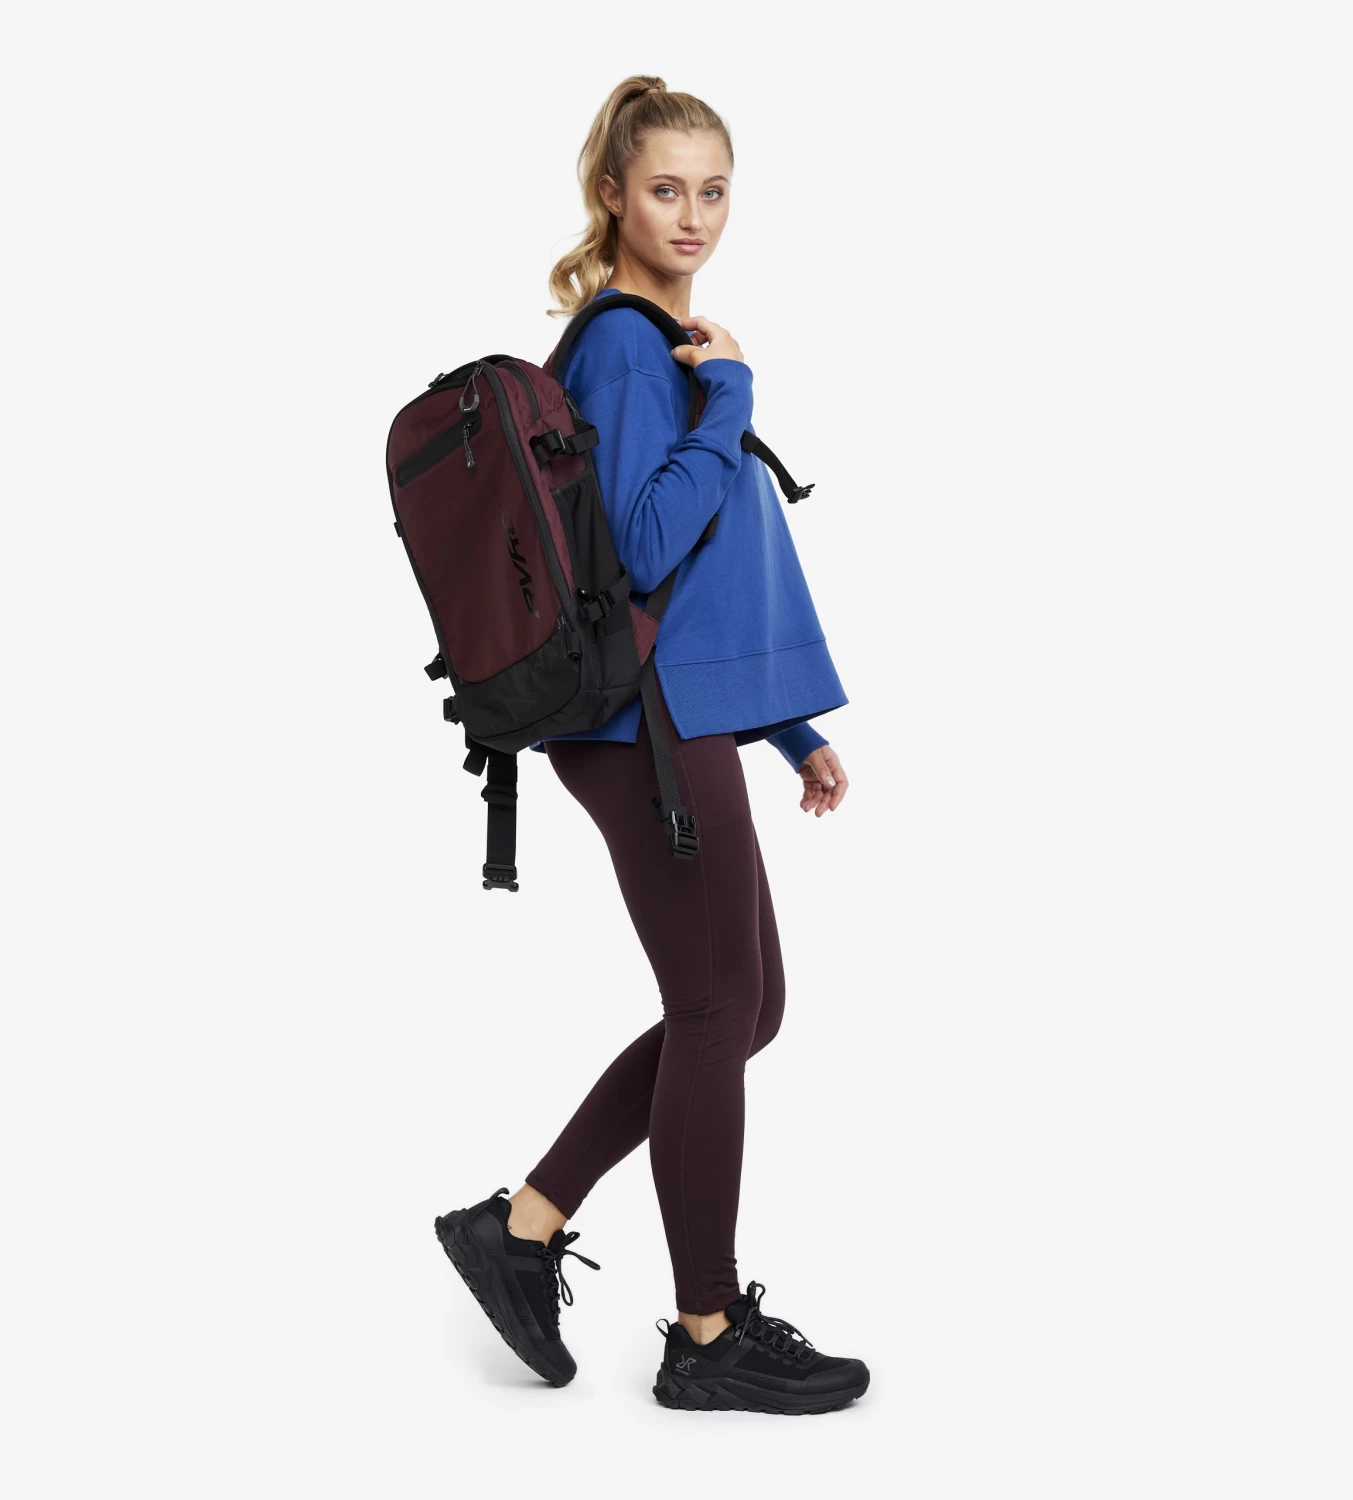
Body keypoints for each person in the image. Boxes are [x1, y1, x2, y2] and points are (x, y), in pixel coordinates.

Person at [433, 76, 869, 1416]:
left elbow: (690, 582)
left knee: (742, 1007)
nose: (692, 216)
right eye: (666, 189)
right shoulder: (632, 351)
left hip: (666, 717)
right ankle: (705, 1330)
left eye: (713, 191)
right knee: (722, 1007)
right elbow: (645, 536)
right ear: (613, 194)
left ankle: (522, 1225)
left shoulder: (655, 347)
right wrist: (729, 394)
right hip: (645, 732)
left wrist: (786, 728)